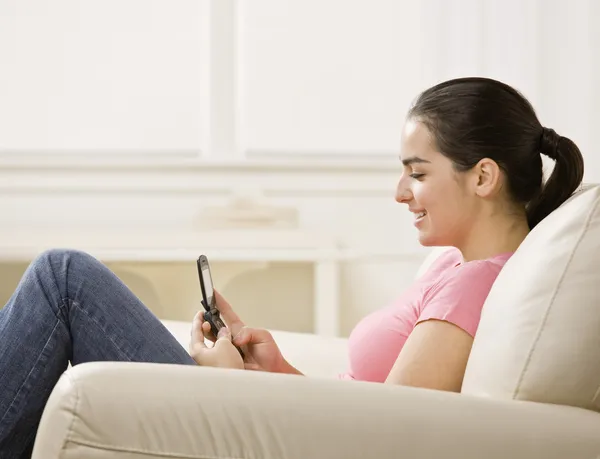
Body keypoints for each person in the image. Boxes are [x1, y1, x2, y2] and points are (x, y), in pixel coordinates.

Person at [0, 76, 585, 457]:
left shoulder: (474, 285)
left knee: (64, 279)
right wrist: (274, 371)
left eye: (418, 172)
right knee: (63, 281)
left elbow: (387, 436)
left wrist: (228, 385)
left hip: (266, 434)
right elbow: (367, 407)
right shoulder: (456, 269)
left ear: (483, 176)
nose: (400, 192)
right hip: (282, 421)